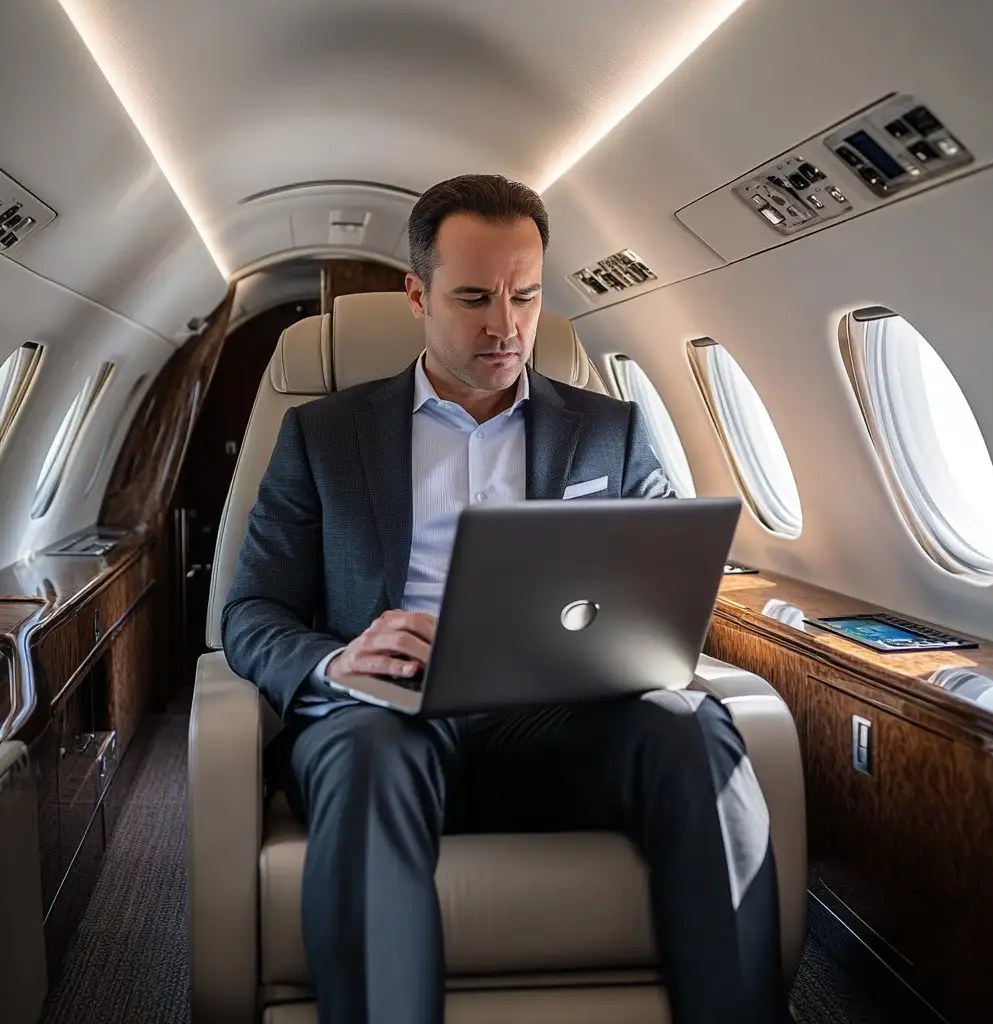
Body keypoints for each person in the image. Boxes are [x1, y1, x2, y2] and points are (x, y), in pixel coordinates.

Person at [222, 173, 785, 1023]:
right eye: (475, 297)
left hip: (562, 717)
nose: (505, 324)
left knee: (695, 729)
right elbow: (251, 612)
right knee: (369, 752)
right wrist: (339, 659)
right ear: (417, 294)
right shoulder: (325, 437)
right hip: (389, 718)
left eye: (525, 295)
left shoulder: (612, 431)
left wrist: (640, 641)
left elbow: (673, 586)